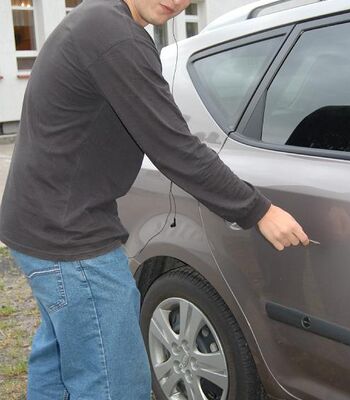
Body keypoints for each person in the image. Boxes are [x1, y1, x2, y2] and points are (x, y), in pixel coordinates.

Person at [0, 0, 309, 399]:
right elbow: (173, 147)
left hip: (40, 226)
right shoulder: (114, 35)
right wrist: (258, 210)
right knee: (115, 383)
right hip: (71, 240)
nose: (178, 1)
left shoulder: (98, 19)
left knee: (61, 359)